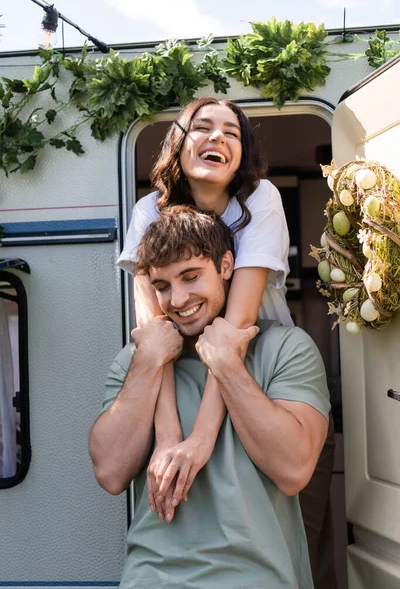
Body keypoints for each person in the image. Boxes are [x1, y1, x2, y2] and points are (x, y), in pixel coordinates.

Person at [117, 98, 337, 587]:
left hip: (263, 373)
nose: (218, 137)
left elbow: (227, 341)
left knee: (300, 536)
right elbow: (158, 345)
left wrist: (199, 440)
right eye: (203, 127)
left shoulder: (259, 200)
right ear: (179, 140)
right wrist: (171, 436)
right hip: (188, 379)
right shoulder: (147, 212)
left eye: (232, 133)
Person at [89, 206, 331, 588]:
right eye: (163, 286)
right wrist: (150, 358)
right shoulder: (136, 363)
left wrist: (226, 362)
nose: (178, 299)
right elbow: (110, 472)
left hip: (257, 578)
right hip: (151, 579)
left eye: (190, 277)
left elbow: (293, 470)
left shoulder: (285, 349)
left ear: (226, 265)